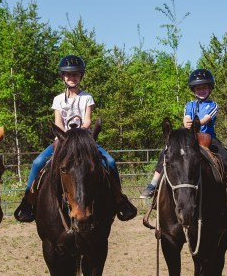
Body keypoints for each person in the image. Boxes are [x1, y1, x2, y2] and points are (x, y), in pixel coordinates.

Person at [13, 55, 137, 223]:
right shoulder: (58, 99)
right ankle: (28, 202)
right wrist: (66, 136)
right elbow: (58, 121)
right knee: (37, 162)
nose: (72, 78)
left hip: (84, 139)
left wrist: (79, 134)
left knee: (110, 161)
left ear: (80, 77)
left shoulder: (87, 98)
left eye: (76, 75)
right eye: (69, 75)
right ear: (62, 77)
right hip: (63, 140)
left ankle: (119, 200)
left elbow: (87, 120)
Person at [140, 68, 227, 204]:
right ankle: (153, 184)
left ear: (210, 89)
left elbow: (207, 119)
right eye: (198, 88)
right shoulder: (189, 105)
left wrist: (196, 123)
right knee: (167, 151)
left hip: (207, 137)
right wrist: (187, 123)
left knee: (226, 157)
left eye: (204, 88)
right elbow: (186, 119)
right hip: (189, 137)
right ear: (193, 90)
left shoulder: (213, 105)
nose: (201, 91)